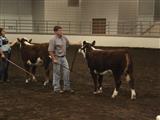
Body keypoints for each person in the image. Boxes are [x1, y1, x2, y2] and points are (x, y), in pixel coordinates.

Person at [48, 26, 74, 93]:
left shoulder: (64, 38)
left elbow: (68, 44)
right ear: (55, 32)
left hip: (64, 57)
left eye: (62, 30)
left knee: (67, 71)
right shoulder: (52, 39)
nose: (61, 32)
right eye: (59, 30)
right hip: (57, 57)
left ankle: (66, 87)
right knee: (57, 73)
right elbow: (50, 51)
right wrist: (54, 59)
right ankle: (56, 88)